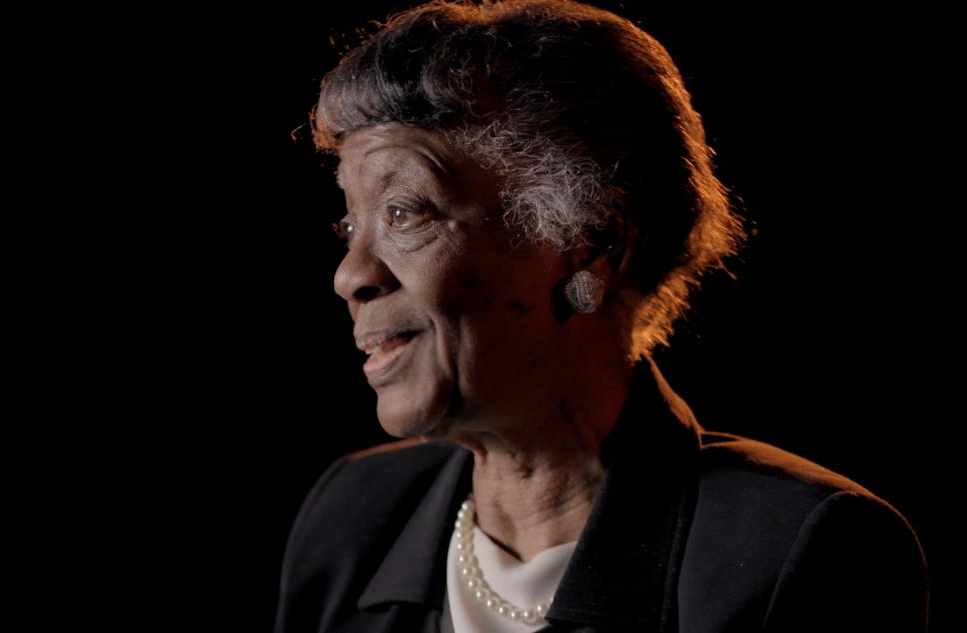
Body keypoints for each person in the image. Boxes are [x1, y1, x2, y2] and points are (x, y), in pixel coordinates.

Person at [274, 1, 930, 632]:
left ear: (592, 245)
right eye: (350, 221)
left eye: (404, 211)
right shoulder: (351, 518)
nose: (350, 274)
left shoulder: (798, 550)